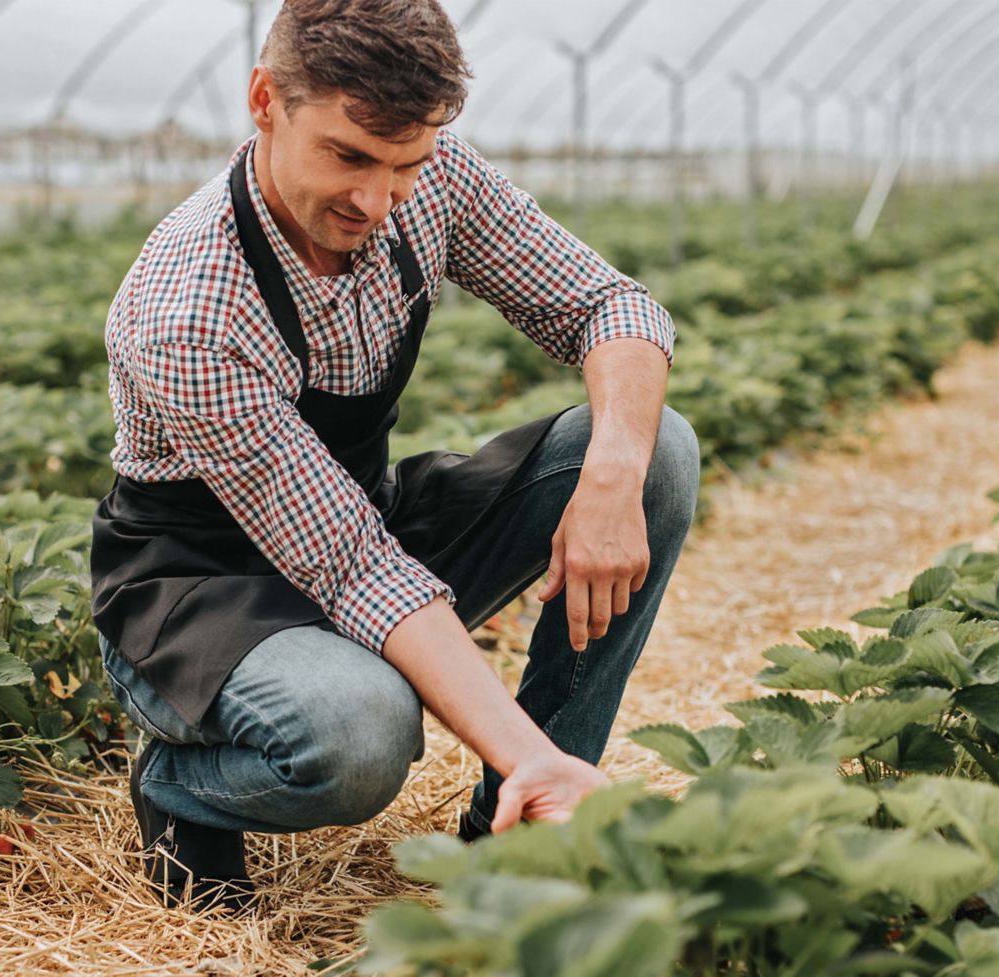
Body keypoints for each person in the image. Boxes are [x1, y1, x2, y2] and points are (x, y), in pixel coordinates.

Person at [90, 0, 697, 914]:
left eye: (404, 165)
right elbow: (352, 565)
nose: (376, 201)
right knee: (360, 734)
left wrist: (612, 475)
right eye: (348, 156)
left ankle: (522, 828)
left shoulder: (434, 176)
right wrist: (516, 738)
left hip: (357, 510)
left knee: (659, 455)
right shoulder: (192, 305)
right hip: (198, 581)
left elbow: (611, 306)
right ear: (265, 100)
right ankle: (181, 783)